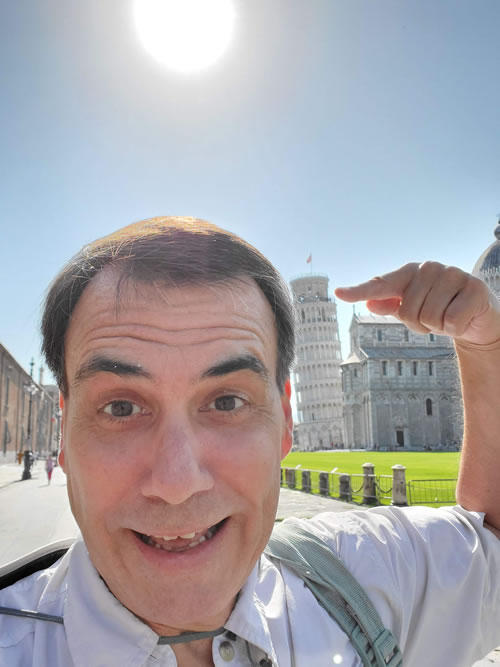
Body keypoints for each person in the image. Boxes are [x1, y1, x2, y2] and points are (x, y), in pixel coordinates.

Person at [1, 216, 500, 667]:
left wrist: (487, 348)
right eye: (121, 408)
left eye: (226, 403)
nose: (178, 483)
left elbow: (490, 546)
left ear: (286, 418)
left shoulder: (364, 577)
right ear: (62, 431)